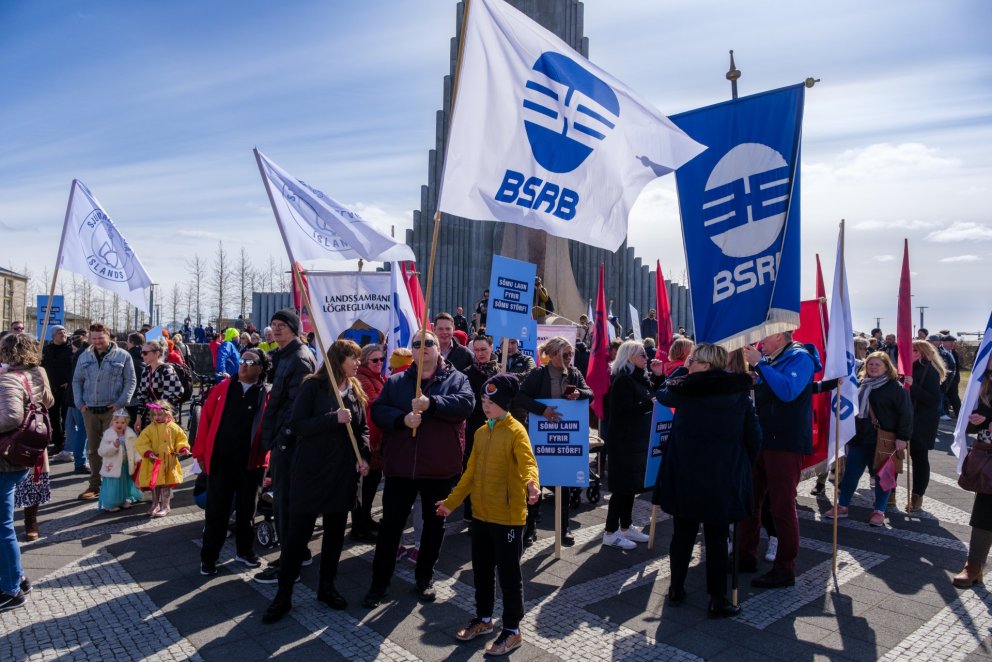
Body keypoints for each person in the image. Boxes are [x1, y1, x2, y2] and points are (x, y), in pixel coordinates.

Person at [363, 330, 474, 608]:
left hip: (439, 468)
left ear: (439, 348)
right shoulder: (397, 381)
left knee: (434, 527)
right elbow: (378, 411)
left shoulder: (456, 379)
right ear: (410, 350)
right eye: (417, 344)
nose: (422, 347)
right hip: (401, 468)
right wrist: (402, 420)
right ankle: (379, 584)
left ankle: (424, 578)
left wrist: (432, 403)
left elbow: (466, 405)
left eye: (428, 343)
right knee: (391, 528)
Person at [262, 340, 371, 622]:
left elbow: (362, 430)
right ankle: (283, 596)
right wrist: (331, 418)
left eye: (359, 359)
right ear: (338, 359)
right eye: (353, 358)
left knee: (335, 538)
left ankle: (327, 588)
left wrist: (364, 457)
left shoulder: (356, 391)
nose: (358, 364)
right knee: (297, 538)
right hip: (311, 473)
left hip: (342, 476)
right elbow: (297, 425)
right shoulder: (313, 386)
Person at [436, 374, 540, 656]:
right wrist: (451, 502)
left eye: (491, 402)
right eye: (483, 401)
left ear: (505, 403)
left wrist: (532, 483)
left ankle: (512, 629)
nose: (486, 406)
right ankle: (483, 619)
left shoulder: (517, 431)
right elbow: (469, 474)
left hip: (507, 518)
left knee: (509, 575)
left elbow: (528, 463)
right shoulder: (481, 432)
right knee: (481, 572)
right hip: (481, 516)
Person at [653, 343, 760, 617]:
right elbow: (754, 438)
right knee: (716, 537)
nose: (688, 363)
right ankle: (717, 598)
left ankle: (676, 588)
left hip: (688, 473)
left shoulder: (685, 391)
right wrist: (740, 461)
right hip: (722, 475)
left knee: (684, 534)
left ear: (707, 364)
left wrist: (677, 371)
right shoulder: (739, 393)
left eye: (693, 360)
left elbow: (663, 391)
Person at [740, 332, 817, 588]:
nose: (761, 339)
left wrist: (760, 365)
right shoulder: (773, 359)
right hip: (763, 440)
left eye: (766, 335)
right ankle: (745, 555)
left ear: (781, 337)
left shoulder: (799, 357)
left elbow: (787, 392)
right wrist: (756, 377)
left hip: (785, 442)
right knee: (751, 498)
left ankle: (785, 568)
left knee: (782, 505)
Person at [194, 350, 272, 576]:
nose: (244, 365)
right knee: (216, 513)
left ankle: (244, 551)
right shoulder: (222, 389)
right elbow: (205, 422)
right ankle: (208, 558)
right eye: (242, 361)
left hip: (253, 464)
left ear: (261, 368)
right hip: (221, 462)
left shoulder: (267, 393)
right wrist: (200, 455)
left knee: (248, 510)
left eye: (250, 362)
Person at [254, 309, 316, 584]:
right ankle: (298, 553)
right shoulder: (282, 355)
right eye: (274, 325)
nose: (276, 329)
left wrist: (281, 439)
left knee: (286, 504)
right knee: (284, 503)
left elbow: (296, 407)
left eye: (282, 325)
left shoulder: (300, 359)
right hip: (282, 440)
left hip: (289, 444)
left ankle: (290, 564)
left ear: (294, 328)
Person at [516, 336, 592, 547]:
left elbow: (590, 393)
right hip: (541, 437)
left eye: (570, 354)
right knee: (535, 483)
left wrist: (579, 393)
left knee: (564, 483)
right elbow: (520, 397)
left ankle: (563, 528)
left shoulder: (574, 373)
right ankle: (529, 529)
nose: (568, 358)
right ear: (550, 355)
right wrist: (543, 410)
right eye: (564, 354)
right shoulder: (539, 374)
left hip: (566, 439)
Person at [824, 352, 912, 527]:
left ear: (887, 367)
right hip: (860, 439)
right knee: (850, 474)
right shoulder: (860, 384)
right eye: (870, 364)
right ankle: (842, 506)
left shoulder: (895, 388)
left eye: (877, 364)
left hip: (884, 439)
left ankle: (879, 511)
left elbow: (906, 414)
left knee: (883, 478)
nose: (873, 367)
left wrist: (903, 437)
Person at [0, 333, 54, 611]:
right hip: (24, 455)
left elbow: (10, 417)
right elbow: (49, 401)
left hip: (5, 459)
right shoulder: (35, 374)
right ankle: (18, 578)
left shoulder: (9, 378)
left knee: (2, 527)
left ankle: (10, 589)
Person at [602, 340, 660, 549]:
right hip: (623, 442)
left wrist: (658, 375)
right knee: (621, 489)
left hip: (636, 441)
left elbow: (654, 393)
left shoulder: (640, 378)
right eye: (642, 355)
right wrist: (648, 404)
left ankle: (626, 526)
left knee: (630, 487)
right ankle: (610, 532)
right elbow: (624, 411)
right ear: (630, 357)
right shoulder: (623, 381)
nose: (647, 358)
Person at [72, 323, 137, 501]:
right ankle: (95, 485)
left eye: (101, 338)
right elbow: (77, 380)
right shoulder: (84, 356)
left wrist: (120, 403)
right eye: (94, 338)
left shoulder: (123, 356)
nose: (97, 342)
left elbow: (130, 381)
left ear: (108, 336)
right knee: (93, 449)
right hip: (89, 409)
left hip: (113, 411)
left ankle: (117, 487)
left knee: (115, 449)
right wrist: (79, 403)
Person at [952, 352, 992, 587]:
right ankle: (974, 566)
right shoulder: (981, 385)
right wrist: (976, 420)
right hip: (988, 455)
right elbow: (964, 425)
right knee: (984, 514)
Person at [462, 334, 500, 522]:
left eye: (483, 349)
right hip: (476, 429)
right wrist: (488, 406)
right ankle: (471, 513)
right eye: (476, 350)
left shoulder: (501, 372)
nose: (480, 354)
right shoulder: (467, 373)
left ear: (491, 348)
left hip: (499, 429)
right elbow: (467, 403)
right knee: (474, 470)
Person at [906, 340, 946, 512]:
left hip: (922, 422)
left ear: (923, 352)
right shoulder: (907, 368)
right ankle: (890, 494)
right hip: (906, 418)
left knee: (919, 458)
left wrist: (911, 385)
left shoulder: (930, 371)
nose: (910, 352)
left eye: (914, 350)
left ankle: (917, 496)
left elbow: (933, 399)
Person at [352, 343, 386, 542]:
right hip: (371, 443)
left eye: (381, 359)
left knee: (371, 486)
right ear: (365, 360)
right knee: (364, 488)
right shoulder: (363, 380)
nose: (379, 363)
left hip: (377, 442)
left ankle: (365, 520)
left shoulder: (375, 377)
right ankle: (359, 527)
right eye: (375, 360)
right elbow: (371, 411)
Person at [134, 400, 190, 517]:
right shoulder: (149, 429)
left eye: (159, 414)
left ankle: (165, 506)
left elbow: (181, 440)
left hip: (168, 462)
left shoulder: (174, 428)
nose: (156, 417)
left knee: (165, 485)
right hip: (154, 462)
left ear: (167, 413)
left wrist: (182, 448)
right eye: (154, 415)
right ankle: (155, 505)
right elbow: (141, 442)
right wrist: (148, 452)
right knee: (155, 484)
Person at [134, 339, 184, 433]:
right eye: (142, 352)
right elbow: (142, 396)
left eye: (145, 353)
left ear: (157, 353)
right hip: (153, 417)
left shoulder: (167, 370)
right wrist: (139, 418)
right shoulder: (146, 370)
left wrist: (156, 411)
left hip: (167, 418)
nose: (142, 355)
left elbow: (171, 396)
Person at [97, 410, 142, 512]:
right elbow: (101, 451)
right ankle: (111, 504)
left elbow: (136, 448)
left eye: (123, 423)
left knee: (125, 482)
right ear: (112, 422)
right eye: (117, 422)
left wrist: (137, 459)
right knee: (114, 484)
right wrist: (113, 446)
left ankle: (123, 500)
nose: (119, 425)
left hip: (126, 464)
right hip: (113, 465)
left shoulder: (130, 434)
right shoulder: (108, 435)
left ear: (127, 423)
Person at [41, 326, 72, 462]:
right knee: (53, 416)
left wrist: (69, 381)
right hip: (51, 388)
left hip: (67, 388)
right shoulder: (46, 350)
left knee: (67, 417)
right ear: (53, 335)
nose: (63, 334)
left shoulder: (71, 349)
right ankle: (58, 442)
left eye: (64, 332)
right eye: (60, 333)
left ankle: (67, 444)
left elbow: (75, 367)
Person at [65, 332, 89, 474]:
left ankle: (80, 460)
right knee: (82, 430)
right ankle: (80, 461)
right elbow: (78, 379)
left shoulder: (83, 352)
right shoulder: (84, 353)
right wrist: (79, 400)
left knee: (81, 430)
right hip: (83, 399)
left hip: (79, 398)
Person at [942, 335, 963, 418]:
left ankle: (960, 415)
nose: (952, 344)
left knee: (955, 398)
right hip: (944, 380)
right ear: (943, 342)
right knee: (943, 398)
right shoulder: (939, 352)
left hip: (953, 380)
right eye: (950, 342)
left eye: (953, 342)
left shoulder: (953, 352)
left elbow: (957, 366)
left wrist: (957, 377)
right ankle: (944, 414)